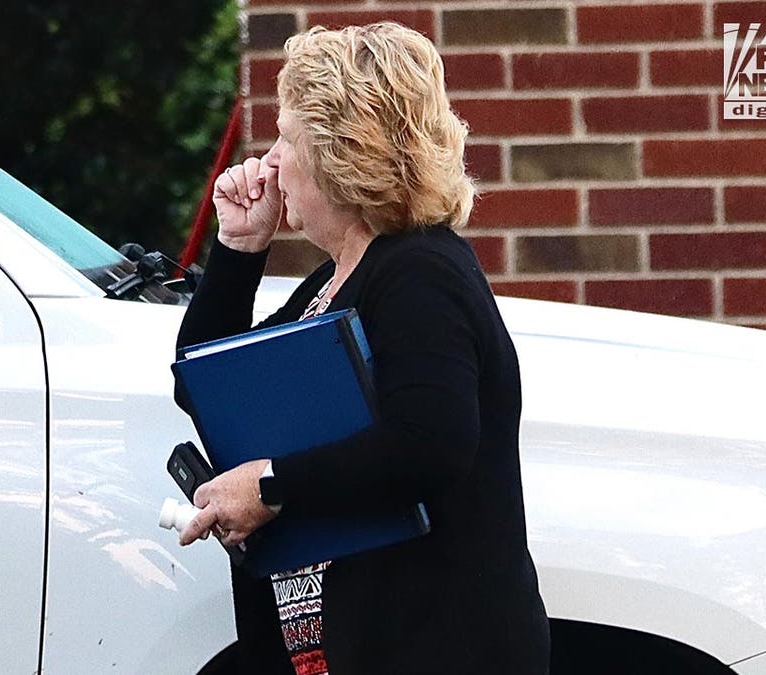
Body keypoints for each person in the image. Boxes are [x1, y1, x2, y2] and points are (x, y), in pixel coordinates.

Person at [174, 22, 549, 675]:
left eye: (288, 139)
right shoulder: (339, 277)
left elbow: (431, 439)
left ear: (338, 150)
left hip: (434, 649)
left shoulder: (421, 271)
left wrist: (270, 484)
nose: (269, 162)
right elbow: (207, 387)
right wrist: (239, 251)